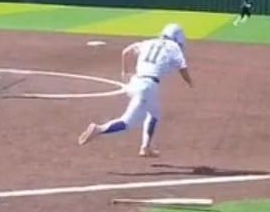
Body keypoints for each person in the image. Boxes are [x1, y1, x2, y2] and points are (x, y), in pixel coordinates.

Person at [78, 23, 191, 157]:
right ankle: (99, 129)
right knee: (128, 122)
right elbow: (182, 67)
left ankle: (146, 147)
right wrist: (189, 82)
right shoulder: (174, 47)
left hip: (135, 82)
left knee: (154, 113)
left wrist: (125, 73)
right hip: (147, 87)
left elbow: (126, 52)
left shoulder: (148, 42)